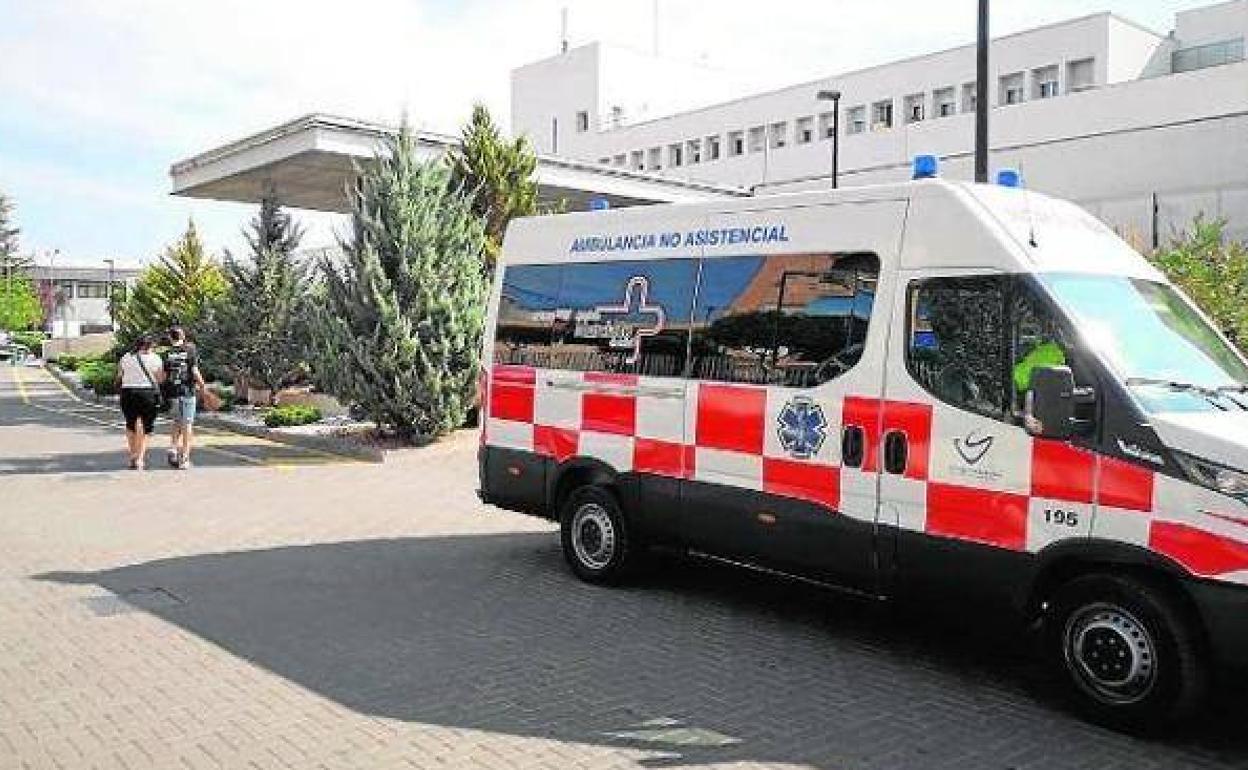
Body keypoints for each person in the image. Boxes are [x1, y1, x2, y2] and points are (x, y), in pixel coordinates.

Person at [115, 335, 165, 470]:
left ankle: (132, 455)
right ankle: (140, 459)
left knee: (130, 424)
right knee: (145, 426)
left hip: (128, 393)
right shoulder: (155, 358)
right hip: (147, 394)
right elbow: (160, 379)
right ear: (150, 345)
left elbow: (119, 376)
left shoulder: (126, 357)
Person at [162, 326, 205, 470]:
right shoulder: (190, 349)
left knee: (177, 421)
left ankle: (173, 448)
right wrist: (202, 385)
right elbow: (193, 370)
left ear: (170, 338)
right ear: (183, 336)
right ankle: (185, 458)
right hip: (187, 391)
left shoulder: (167, 354)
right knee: (187, 424)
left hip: (172, 392)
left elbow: (164, 375)